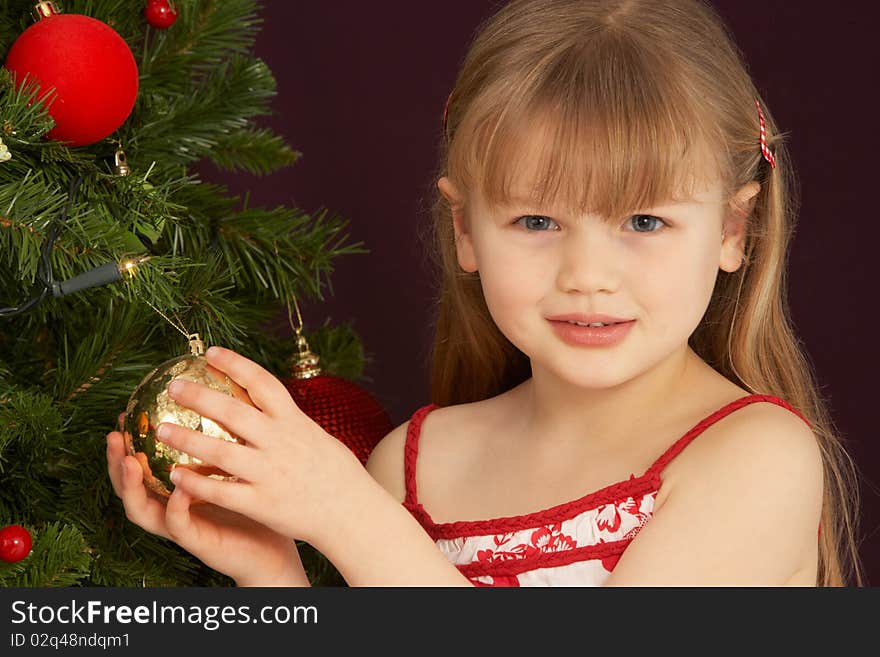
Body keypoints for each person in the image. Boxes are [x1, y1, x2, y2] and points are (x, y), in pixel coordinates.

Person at [106, 0, 864, 586]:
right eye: (537, 219)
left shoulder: (756, 458)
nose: (587, 273)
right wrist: (276, 574)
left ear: (734, 229)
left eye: (644, 219)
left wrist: (348, 516)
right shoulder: (413, 463)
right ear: (466, 228)